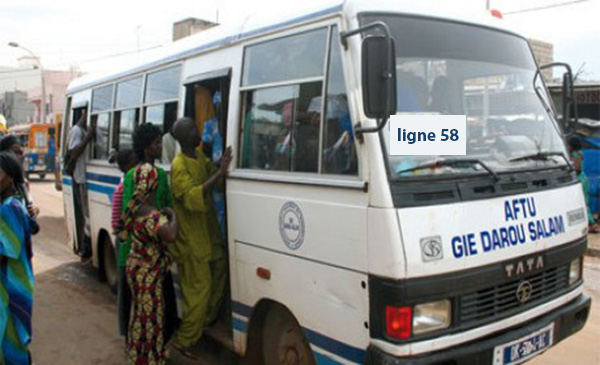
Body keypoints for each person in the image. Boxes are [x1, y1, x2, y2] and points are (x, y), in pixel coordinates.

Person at [169, 117, 232, 358]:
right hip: (192, 238)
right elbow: (191, 196)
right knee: (199, 289)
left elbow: (209, 171)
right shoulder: (179, 165)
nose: (199, 131)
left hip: (208, 231)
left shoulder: (197, 156)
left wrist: (220, 164)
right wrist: (219, 174)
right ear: (184, 137)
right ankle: (184, 341)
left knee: (220, 267)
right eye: (194, 129)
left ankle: (204, 321)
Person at [121, 123, 177, 341]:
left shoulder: (133, 176)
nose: (160, 146)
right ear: (146, 148)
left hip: (141, 250)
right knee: (153, 312)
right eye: (156, 143)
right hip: (151, 252)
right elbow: (164, 210)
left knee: (143, 312)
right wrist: (166, 219)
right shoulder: (156, 176)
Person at [124, 163, 178, 365]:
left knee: (139, 314)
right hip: (148, 274)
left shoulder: (135, 209)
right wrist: (173, 216)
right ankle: (151, 359)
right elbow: (171, 235)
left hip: (135, 269)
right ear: (153, 187)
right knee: (152, 318)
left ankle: (136, 355)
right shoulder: (152, 215)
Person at [0, 152, 35, 364]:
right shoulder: (13, 204)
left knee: (11, 343)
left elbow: (5, 251)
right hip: (14, 283)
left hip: (11, 286)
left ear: (10, 177)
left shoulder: (9, 208)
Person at [111, 149, 138, 340]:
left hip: (128, 242)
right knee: (126, 292)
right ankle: (126, 333)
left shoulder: (129, 184)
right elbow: (116, 225)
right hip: (124, 245)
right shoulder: (123, 188)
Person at [67, 111, 95, 258]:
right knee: (87, 215)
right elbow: (73, 152)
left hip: (87, 178)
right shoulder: (77, 130)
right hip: (80, 179)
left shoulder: (84, 130)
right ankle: (86, 248)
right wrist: (88, 138)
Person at [0, 135, 40, 237]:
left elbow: (30, 208)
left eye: (21, 153)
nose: (19, 157)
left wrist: (33, 211)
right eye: (15, 152)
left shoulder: (23, 184)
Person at [569, 136, 599, 232]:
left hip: (579, 180)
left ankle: (592, 223)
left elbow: (577, 168)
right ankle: (590, 223)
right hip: (584, 179)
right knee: (585, 203)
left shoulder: (575, 154)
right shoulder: (581, 153)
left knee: (582, 204)